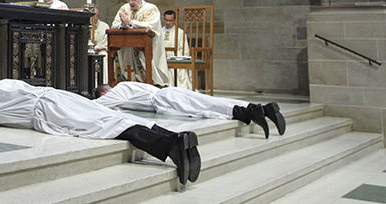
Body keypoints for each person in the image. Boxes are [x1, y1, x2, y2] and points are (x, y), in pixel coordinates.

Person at [0, 79, 201, 186]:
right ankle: (173, 137)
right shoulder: (3, 83)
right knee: (112, 116)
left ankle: (170, 147)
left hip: (49, 110)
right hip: (56, 95)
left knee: (104, 126)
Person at [94, 82, 286, 139]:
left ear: (104, 92)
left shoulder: (117, 91)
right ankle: (258, 110)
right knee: (209, 106)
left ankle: (253, 111)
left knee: (207, 105)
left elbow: (100, 105)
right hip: (166, 99)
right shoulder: (126, 87)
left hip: (165, 99)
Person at [113, 0, 170, 86]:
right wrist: (123, 24)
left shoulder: (151, 9)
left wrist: (131, 23)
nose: (131, 2)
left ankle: (151, 83)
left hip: (146, 46)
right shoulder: (124, 8)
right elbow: (114, 25)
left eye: (134, 0)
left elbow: (152, 27)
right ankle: (130, 83)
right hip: (128, 46)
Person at [162, 10, 192, 90]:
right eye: (166, 20)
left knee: (180, 71)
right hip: (162, 59)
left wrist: (173, 56)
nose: (168, 22)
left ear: (175, 20)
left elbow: (184, 50)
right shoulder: (159, 32)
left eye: (170, 20)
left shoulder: (180, 33)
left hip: (175, 58)